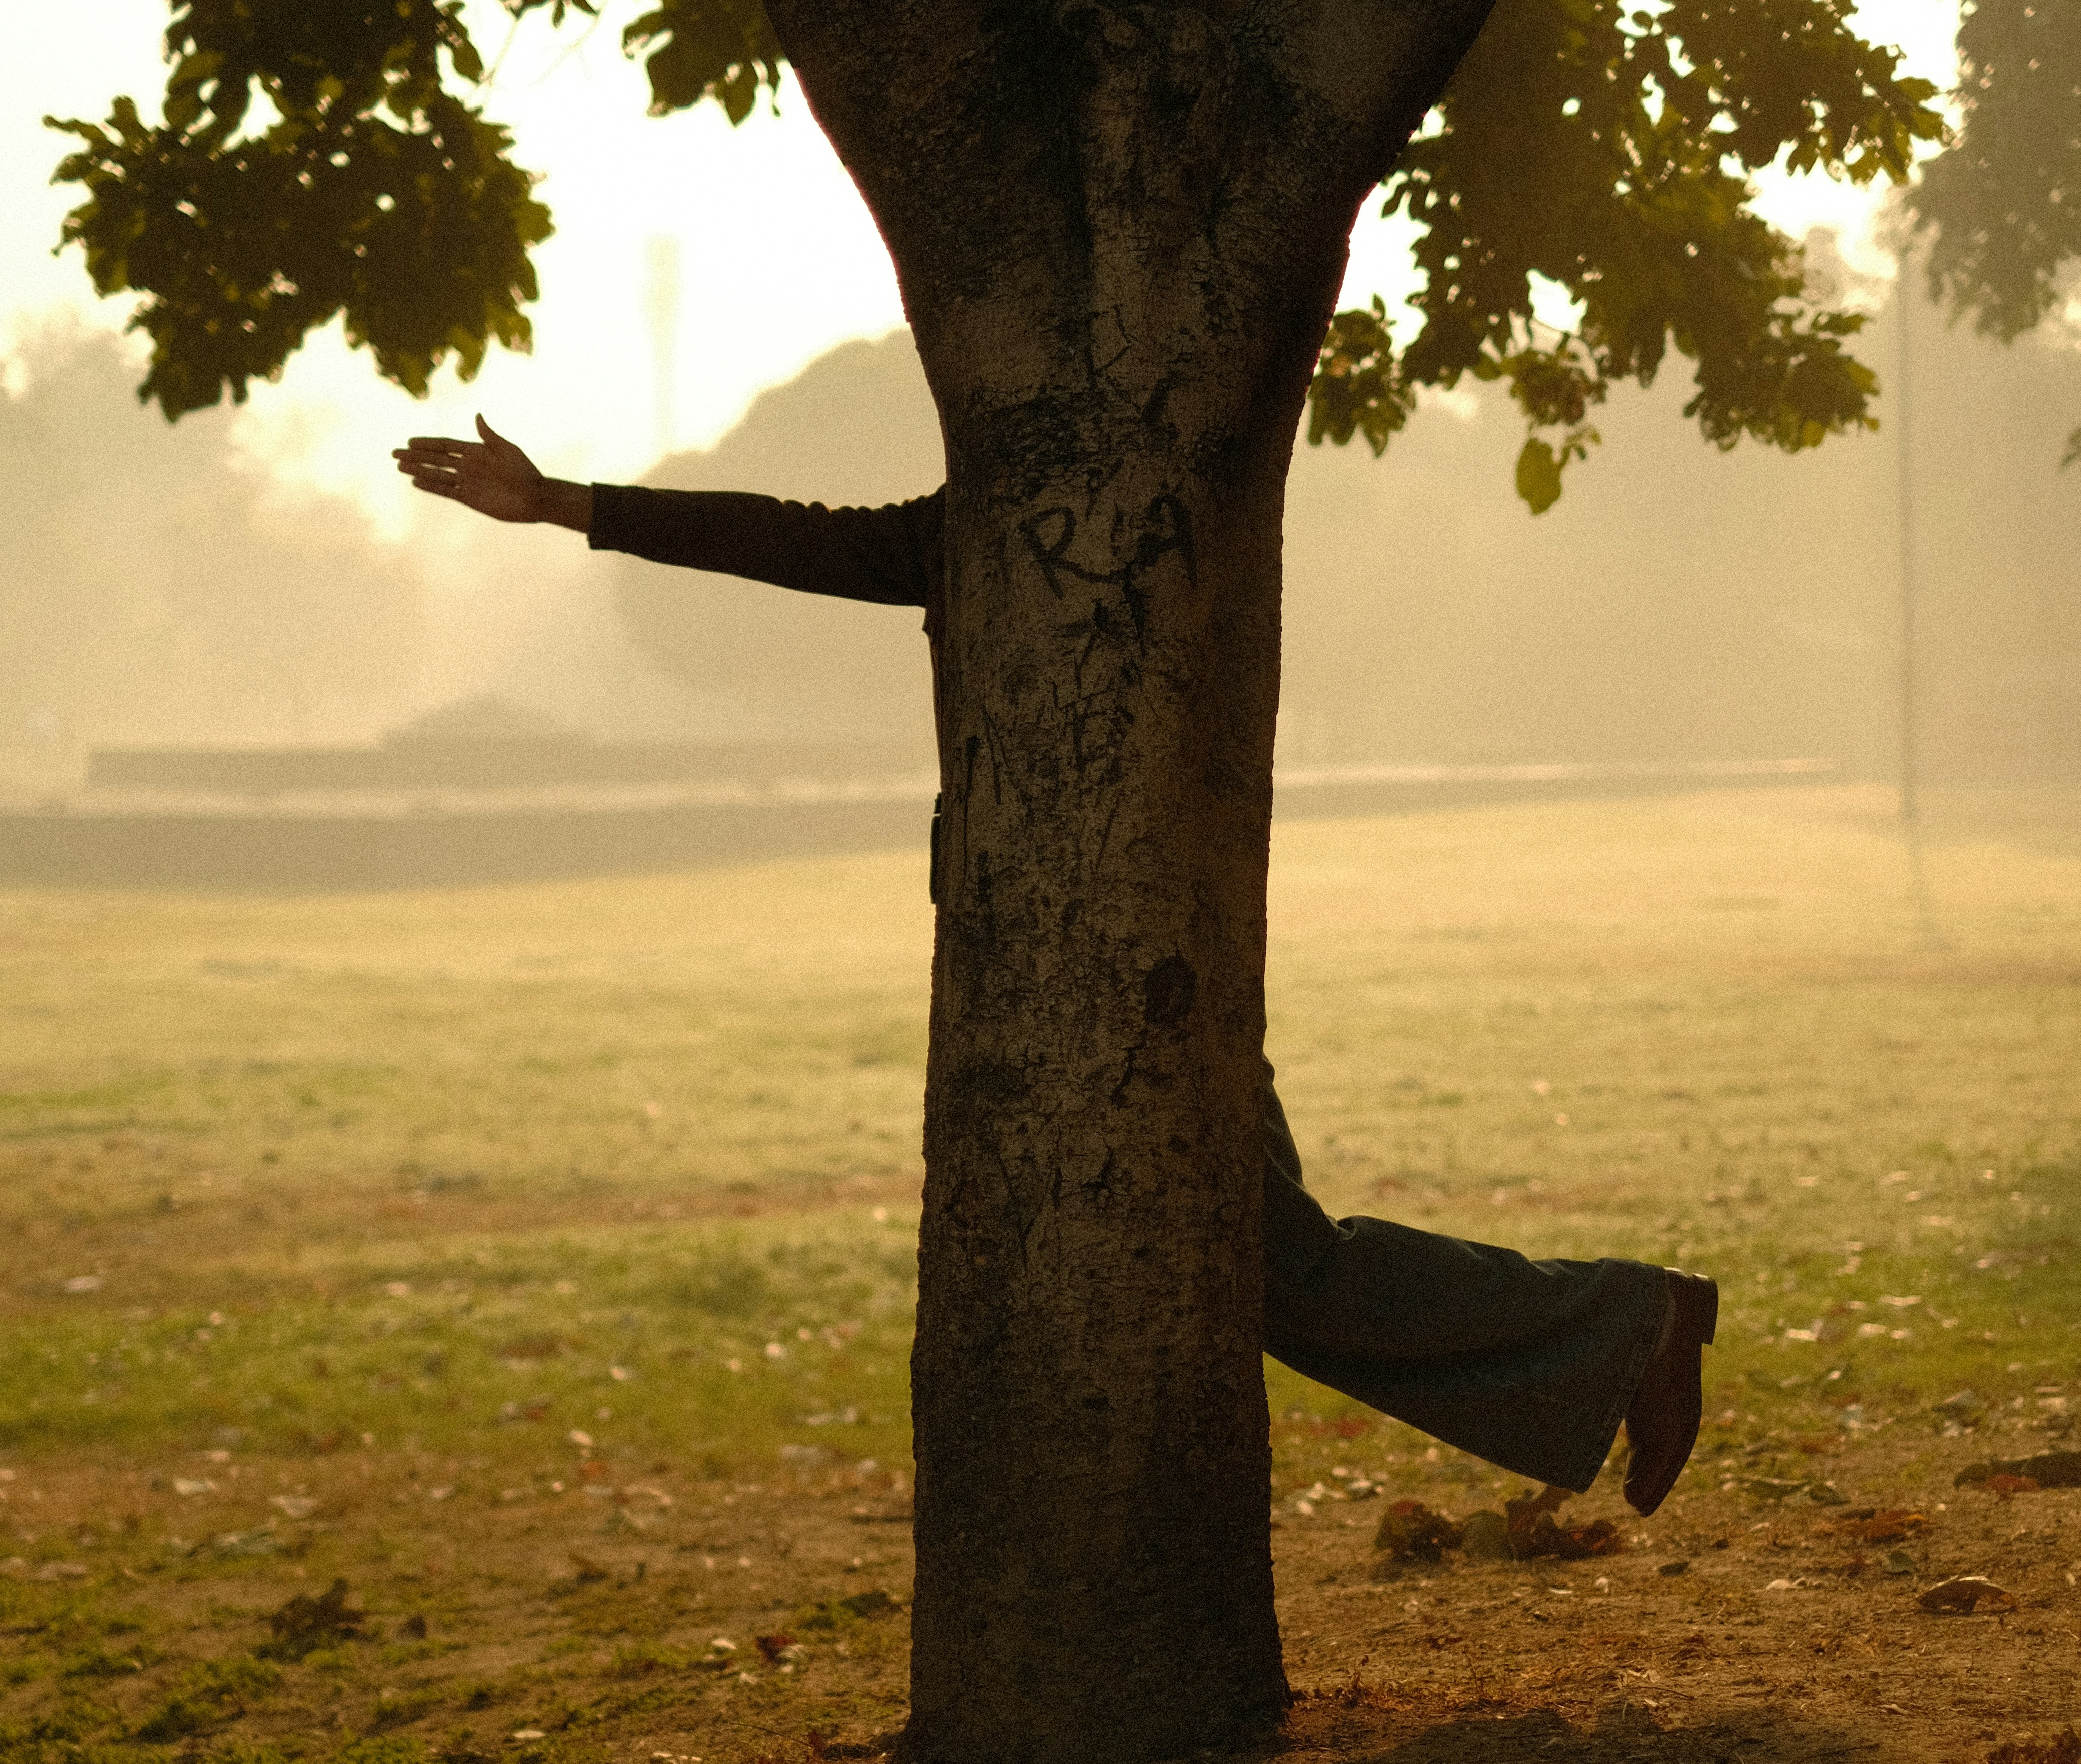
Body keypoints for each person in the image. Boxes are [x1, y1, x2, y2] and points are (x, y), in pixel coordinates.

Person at [394, 414, 1715, 1513]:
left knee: (1262, 1262)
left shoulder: (1170, 498)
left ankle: (1630, 1321)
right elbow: (792, 538)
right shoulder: (979, 517)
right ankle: (1621, 1329)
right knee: (1164, 1261)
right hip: (1027, 939)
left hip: (1150, 944)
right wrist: (567, 502)